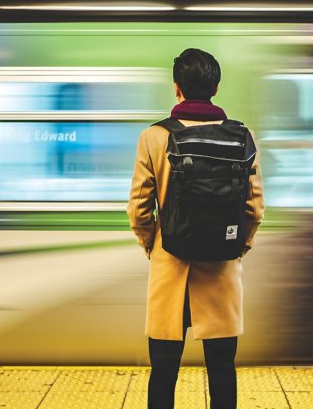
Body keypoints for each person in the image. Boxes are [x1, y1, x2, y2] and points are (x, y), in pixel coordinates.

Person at [127, 48, 265, 409]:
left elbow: (139, 209)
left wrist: (153, 245)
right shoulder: (242, 137)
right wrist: (240, 246)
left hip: (169, 266)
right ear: (215, 88)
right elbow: (254, 208)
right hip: (220, 267)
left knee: (164, 368)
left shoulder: (153, 137)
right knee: (221, 365)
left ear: (177, 88)